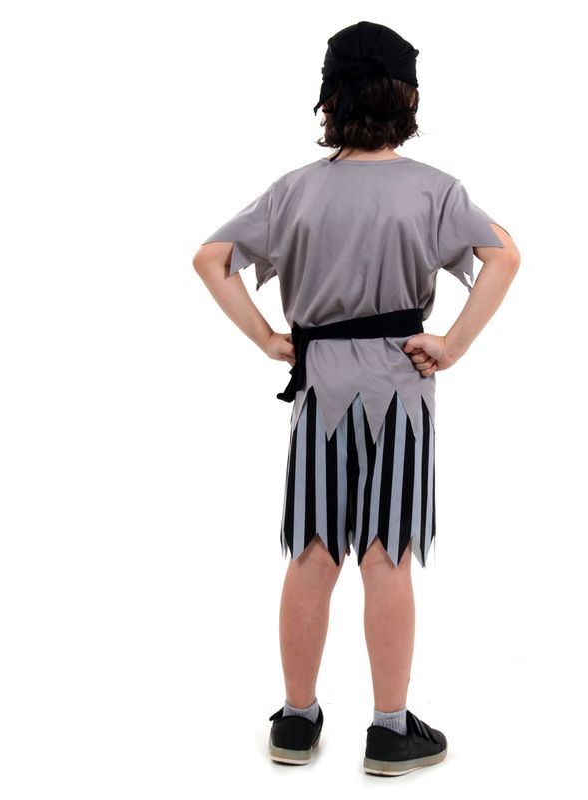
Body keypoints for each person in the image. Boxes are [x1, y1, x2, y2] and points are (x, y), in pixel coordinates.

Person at [192, 20, 520, 776]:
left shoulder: (293, 191)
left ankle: (296, 721)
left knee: (313, 551)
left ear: (329, 98)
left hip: (320, 386)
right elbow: (504, 255)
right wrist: (453, 344)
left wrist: (269, 339)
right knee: (387, 554)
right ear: (408, 98)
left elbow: (211, 259)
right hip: (400, 386)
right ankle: (390, 730)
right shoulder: (436, 189)